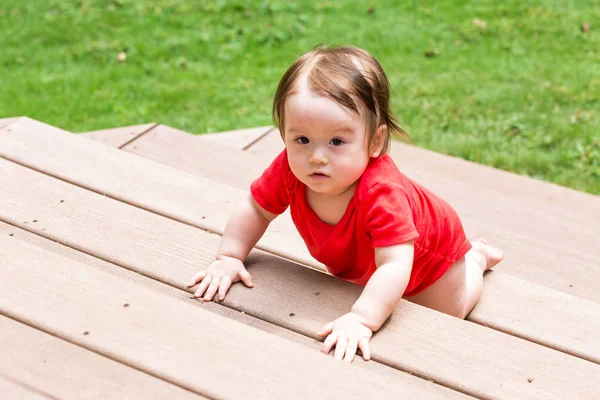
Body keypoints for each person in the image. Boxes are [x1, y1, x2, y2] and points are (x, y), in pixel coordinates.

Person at [188, 45, 503, 363]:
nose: (317, 156)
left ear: (375, 141)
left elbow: (395, 265)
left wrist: (362, 319)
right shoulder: (292, 169)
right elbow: (256, 208)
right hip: (368, 261)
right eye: (302, 139)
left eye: (337, 141)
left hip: (428, 259)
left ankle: (475, 259)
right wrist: (229, 256)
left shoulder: (382, 193)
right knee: (368, 283)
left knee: (447, 314)